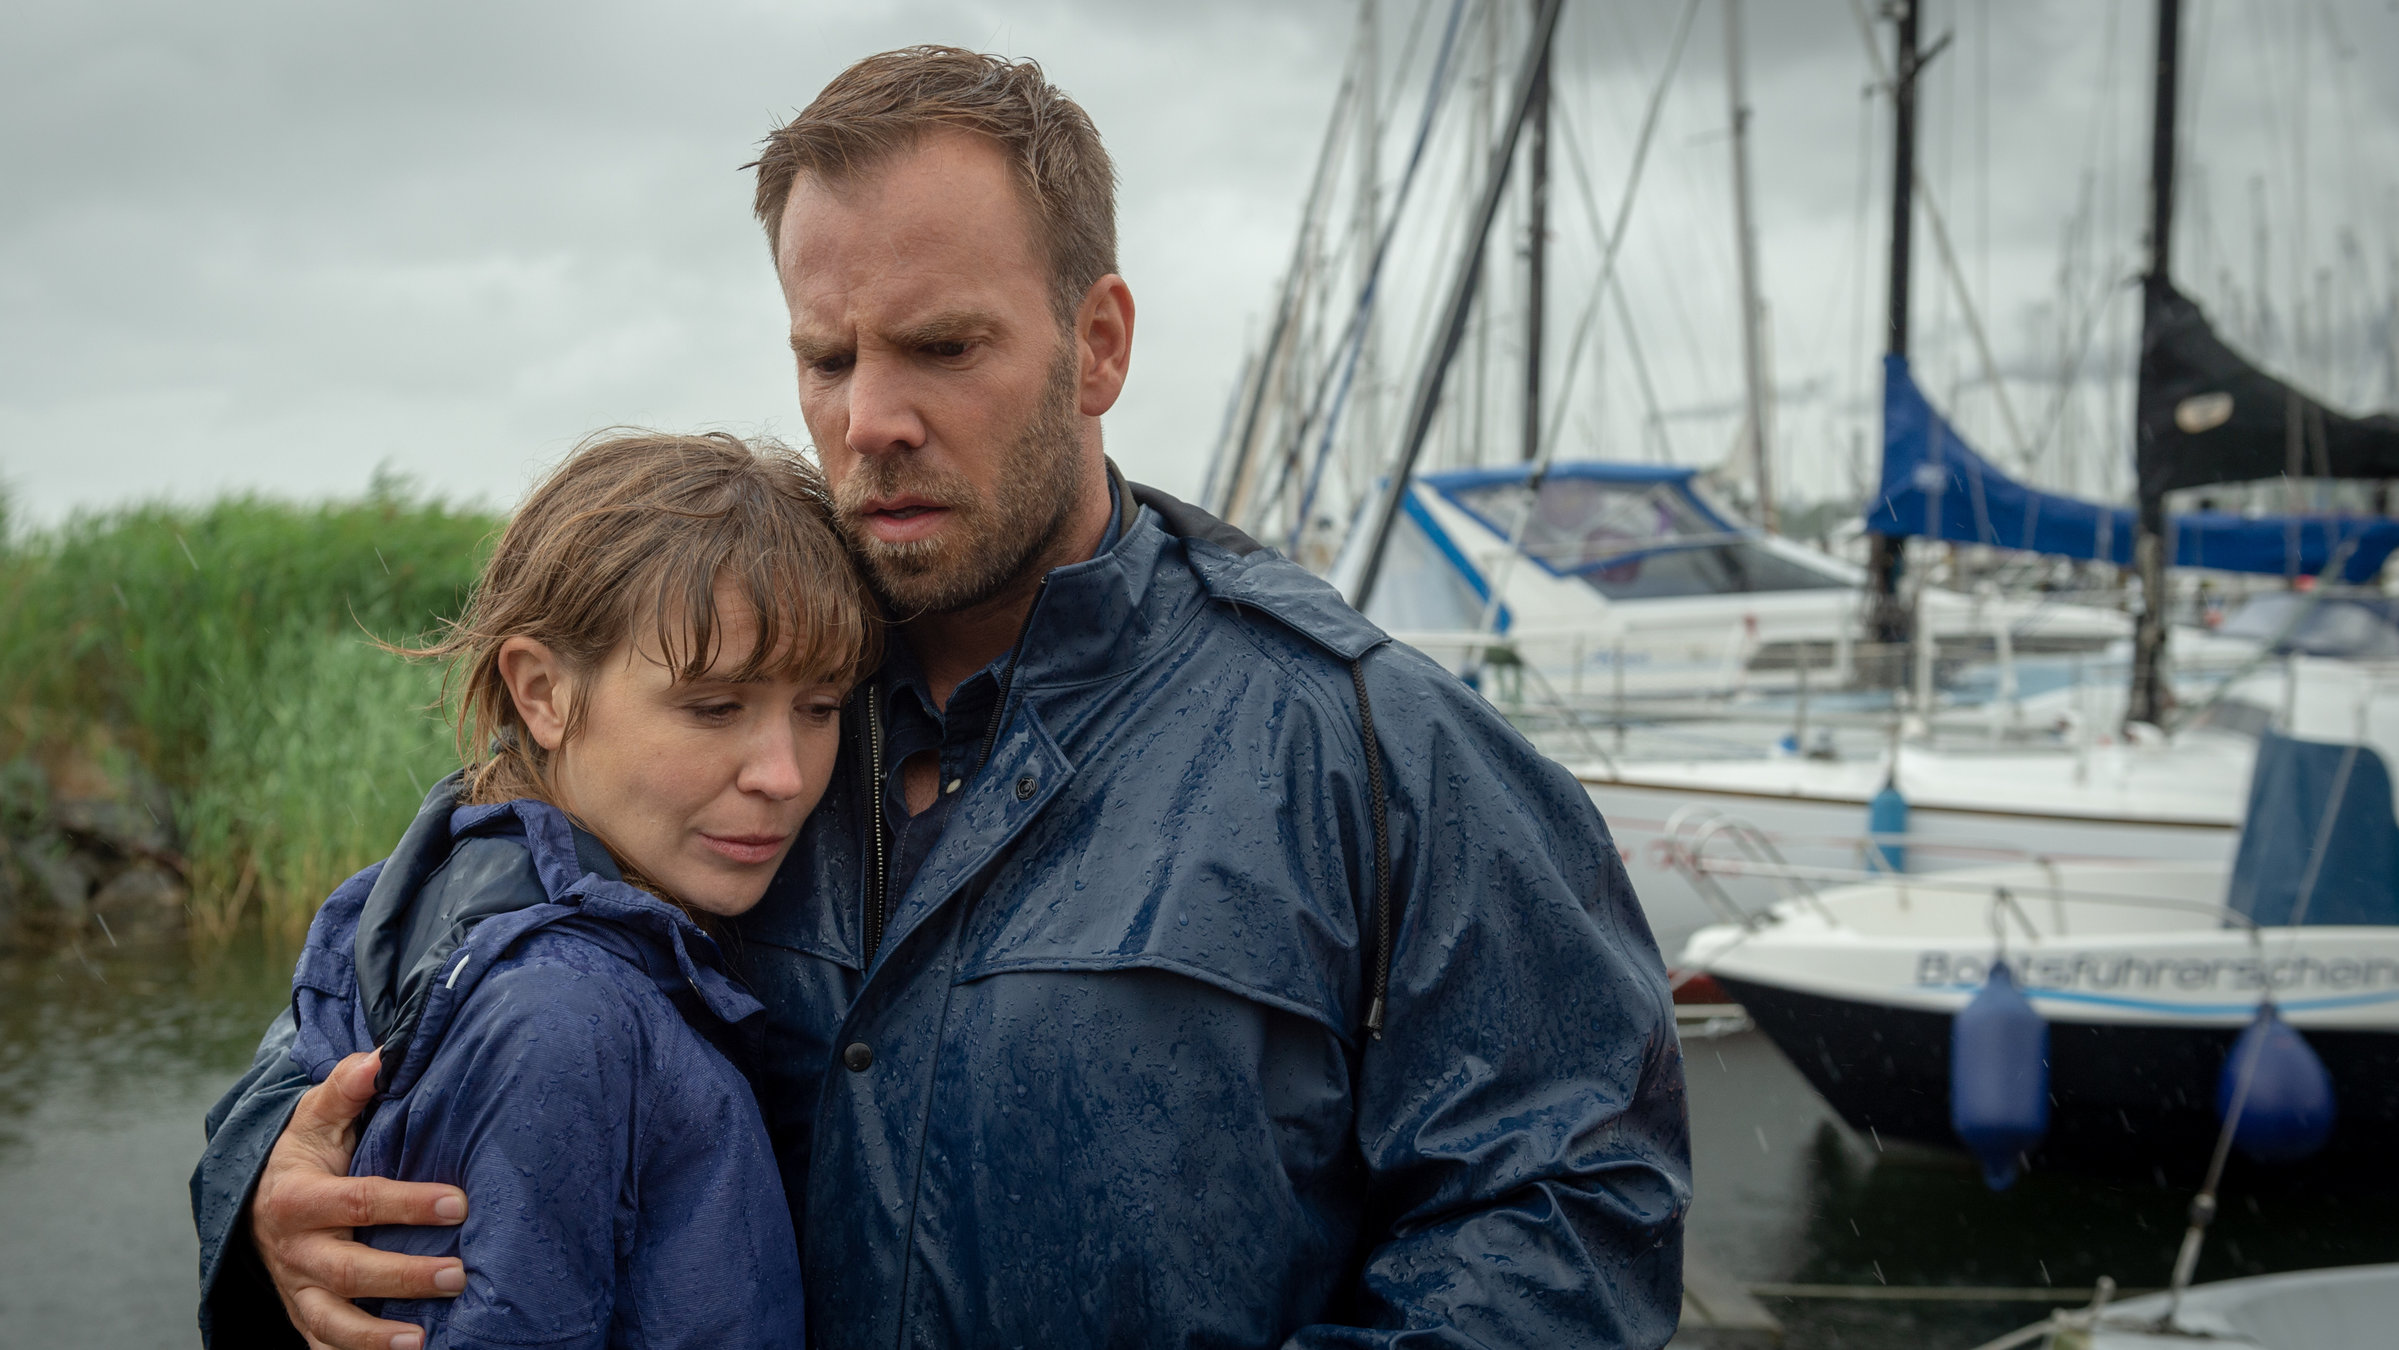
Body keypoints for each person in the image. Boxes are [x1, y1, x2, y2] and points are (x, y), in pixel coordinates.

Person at [195, 46, 1692, 1350]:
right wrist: (269, 1170)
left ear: (1096, 342)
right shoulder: (701, 704)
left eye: (941, 347)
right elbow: (391, 967)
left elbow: (1567, 1212)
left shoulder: (1370, 744)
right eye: (825, 355)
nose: (869, 419)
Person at [197, 431, 875, 1349]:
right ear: (542, 692)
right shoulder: (564, 1014)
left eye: (820, 708)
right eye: (715, 707)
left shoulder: (406, 891)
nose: (785, 775)